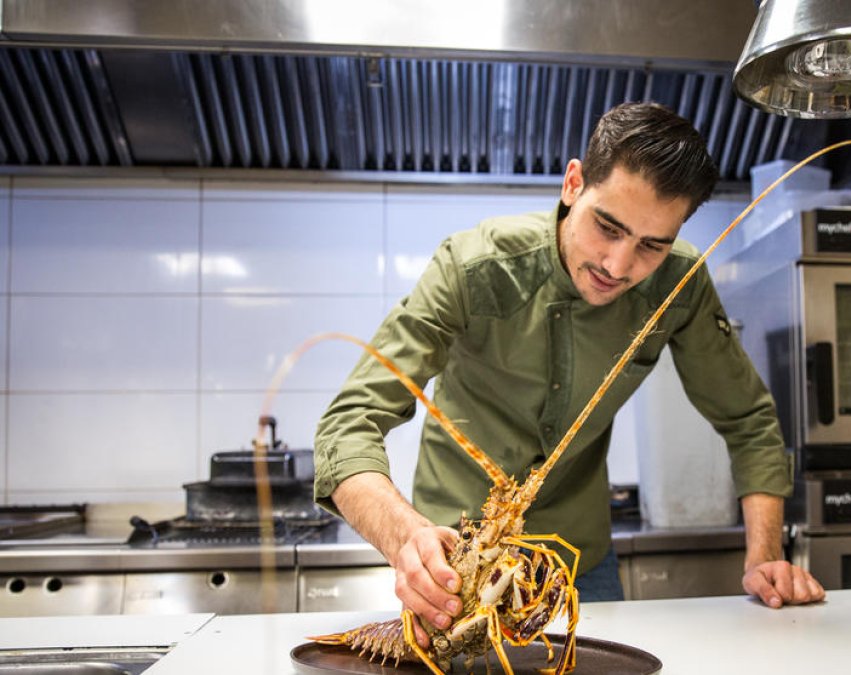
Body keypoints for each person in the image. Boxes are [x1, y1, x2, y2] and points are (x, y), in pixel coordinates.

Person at [313, 102, 824, 643]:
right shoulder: (471, 267)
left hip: (578, 566)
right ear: (573, 183)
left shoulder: (680, 286)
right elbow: (348, 423)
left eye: (653, 245)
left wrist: (764, 557)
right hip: (453, 563)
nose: (618, 266)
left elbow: (748, 420)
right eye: (607, 227)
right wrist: (406, 537)